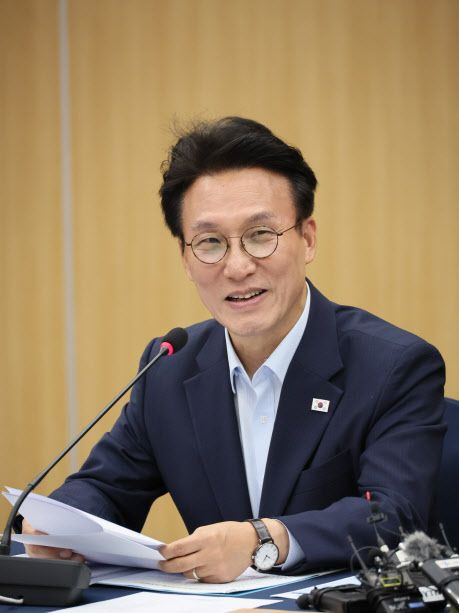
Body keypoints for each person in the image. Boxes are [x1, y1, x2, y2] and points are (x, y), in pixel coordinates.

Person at [23, 117, 445, 582]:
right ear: (186, 259)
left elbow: (395, 514)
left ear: (307, 239)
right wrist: (59, 524)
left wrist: (263, 539)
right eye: (210, 243)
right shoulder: (169, 368)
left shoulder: (393, 366)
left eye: (261, 235)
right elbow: (105, 486)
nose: (238, 267)